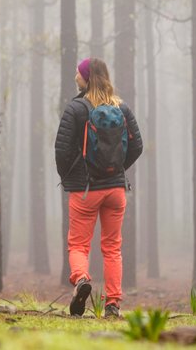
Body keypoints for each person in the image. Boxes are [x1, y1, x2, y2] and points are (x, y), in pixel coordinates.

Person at [54, 58, 143, 317]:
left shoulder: (77, 108)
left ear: (87, 78)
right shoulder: (122, 107)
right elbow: (136, 146)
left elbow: (61, 149)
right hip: (115, 190)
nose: (75, 76)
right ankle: (113, 304)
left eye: (78, 73)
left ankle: (81, 280)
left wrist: (71, 176)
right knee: (112, 247)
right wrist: (116, 170)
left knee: (79, 245)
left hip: (85, 189)